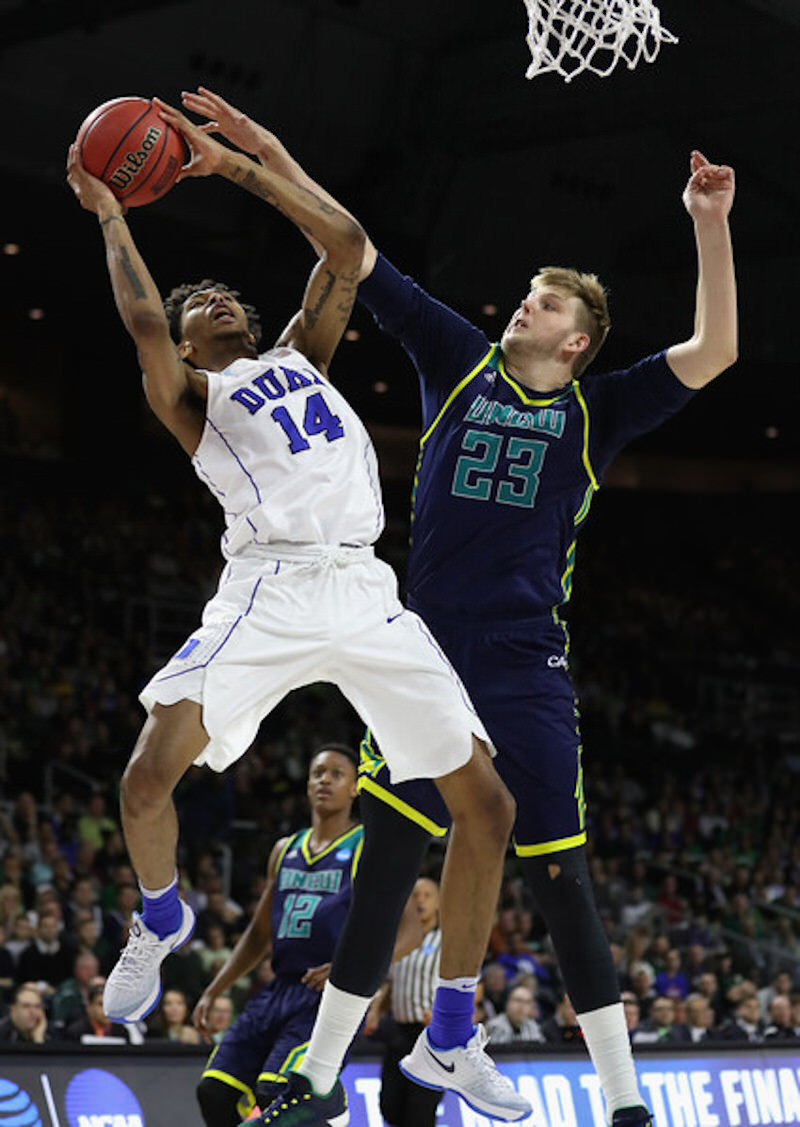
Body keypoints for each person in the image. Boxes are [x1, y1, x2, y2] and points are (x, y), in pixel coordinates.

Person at [179, 88, 737, 1127]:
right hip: (418, 652)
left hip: (526, 661)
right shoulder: (456, 358)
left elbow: (714, 351)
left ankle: (622, 1100)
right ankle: (315, 1076)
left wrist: (707, 223)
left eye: (547, 304)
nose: (525, 305)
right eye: (527, 295)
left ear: (577, 340)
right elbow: (353, 251)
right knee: (388, 859)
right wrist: (263, 153)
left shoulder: (597, 407)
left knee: (560, 872)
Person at [66, 97, 520, 1124]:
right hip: (267, 585)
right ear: (188, 345)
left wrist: (237, 167)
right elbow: (140, 319)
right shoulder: (192, 399)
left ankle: (451, 1031)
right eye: (202, 304)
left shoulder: (299, 359)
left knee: (486, 804)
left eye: (226, 290)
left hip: (361, 585)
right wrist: (108, 210)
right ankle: (159, 915)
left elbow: (346, 246)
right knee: (145, 778)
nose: (219, 297)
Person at [194, 744, 363, 1125]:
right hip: (277, 989)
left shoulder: (367, 846)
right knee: (215, 1091)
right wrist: (215, 988)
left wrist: (350, 969)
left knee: (279, 1093)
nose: (325, 779)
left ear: (356, 788)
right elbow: (259, 932)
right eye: (318, 772)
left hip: (327, 996)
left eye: (337, 774)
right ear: (306, 784)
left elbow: (408, 928)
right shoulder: (284, 849)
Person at [368, 876, 444, 1127]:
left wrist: (446, 1017)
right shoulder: (399, 940)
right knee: (389, 1106)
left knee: (420, 1112)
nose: (420, 900)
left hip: (431, 1036)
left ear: (439, 903)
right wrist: (376, 1011)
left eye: (427, 895)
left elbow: (474, 987)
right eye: (415, 895)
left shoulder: (447, 940)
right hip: (400, 1031)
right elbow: (391, 984)